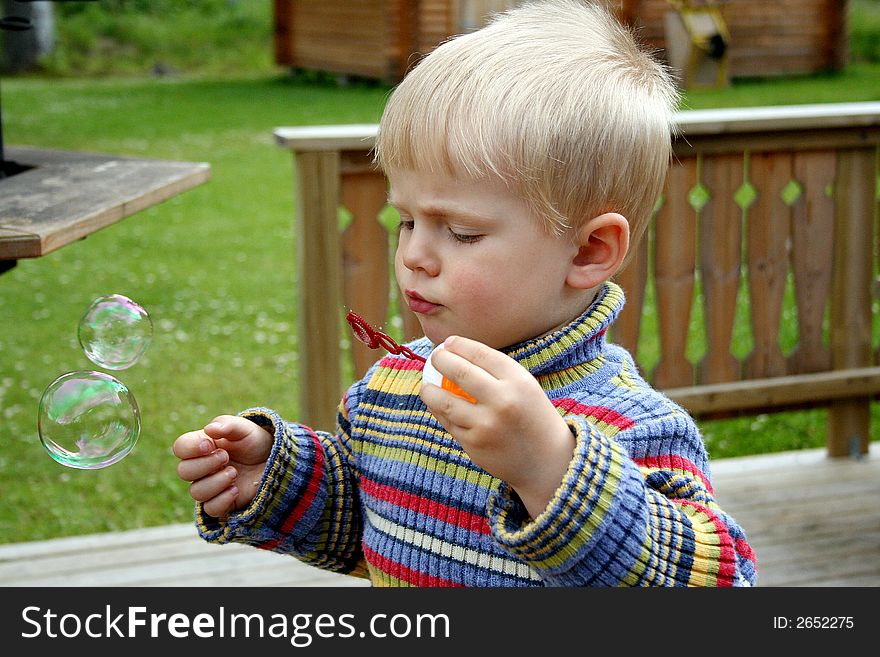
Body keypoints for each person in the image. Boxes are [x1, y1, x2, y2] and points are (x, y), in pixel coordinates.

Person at [173, 0, 757, 587]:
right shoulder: (392, 390)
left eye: (460, 232)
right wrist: (277, 483)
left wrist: (551, 471)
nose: (413, 255)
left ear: (588, 251)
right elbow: (370, 526)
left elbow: (722, 584)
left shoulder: (633, 427)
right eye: (405, 221)